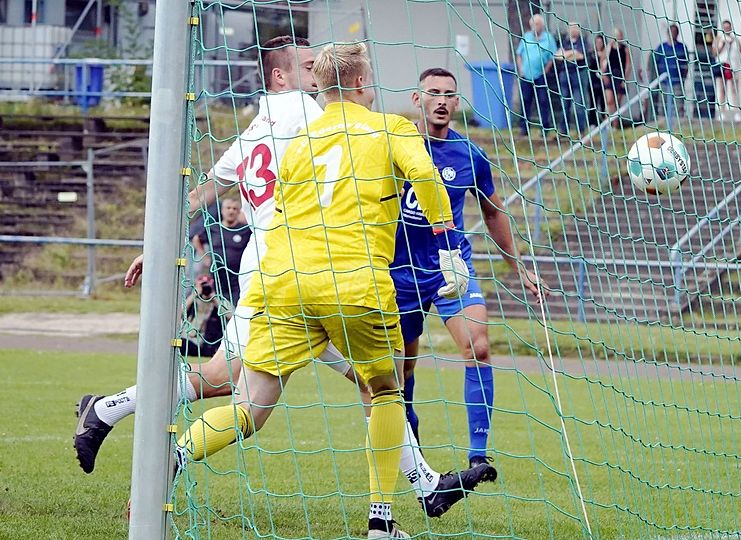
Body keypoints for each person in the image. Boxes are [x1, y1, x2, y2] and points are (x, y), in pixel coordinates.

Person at [74, 37, 489, 522]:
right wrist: (442, 242)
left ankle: (424, 484)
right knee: (347, 385)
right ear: (282, 76)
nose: (316, 76)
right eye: (308, 66)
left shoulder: (259, 128)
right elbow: (415, 168)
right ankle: (116, 414)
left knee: (267, 394)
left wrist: (158, 244)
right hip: (332, 275)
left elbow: (206, 190)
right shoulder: (315, 116)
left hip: (281, 276)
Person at [176, 42, 474, 539]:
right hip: (354, 283)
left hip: (287, 284)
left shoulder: (300, 141)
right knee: (385, 390)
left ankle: (174, 453)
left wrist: (266, 291)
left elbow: (280, 217)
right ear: (359, 83)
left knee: (250, 404)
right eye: (370, 80)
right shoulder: (391, 128)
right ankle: (381, 522)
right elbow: (423, 173)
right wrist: (446, 241)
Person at [400, 67, 546, 469]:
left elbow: (493, 212)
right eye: (433, 92)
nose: (441, 101)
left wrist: (519, 268)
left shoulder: (470, 154)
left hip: (451, 267)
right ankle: (411, 435)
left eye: (449, 94)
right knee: (402, 367)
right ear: (417, 99)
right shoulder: (396, 145)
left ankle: (478, 457)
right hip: (400, 271)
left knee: (479, 347)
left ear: (457, 102)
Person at [193, 197, 251, 306]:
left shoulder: (245, 230)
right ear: (222, 210)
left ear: (239, 212)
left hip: (237, 276)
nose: (231, 211)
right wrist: (205, 257)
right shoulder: (214, 228)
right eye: (228, 208)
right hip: (217, 275)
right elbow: (197, 239)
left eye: (234, 208)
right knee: (216, 304)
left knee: (235, 304)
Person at [515, 13, 557, 136]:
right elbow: (519, 54)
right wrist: (521, 69)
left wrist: (546, 69)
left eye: (537, 24)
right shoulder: (526, 37)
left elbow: (552, 56)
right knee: (525, 100)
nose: (535, 26)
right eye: (533, 24)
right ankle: (524, 128)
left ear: (542, 25)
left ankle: (545, 128)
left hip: (540, 75)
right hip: (526, 75)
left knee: (543, 101)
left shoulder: (548, 38)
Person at [555, 23, 592, 136]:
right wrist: (572, 53)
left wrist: (565, 54)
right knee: (564, 103)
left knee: (579, 103)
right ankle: (563, 131)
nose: (573, 30)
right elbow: (557, 56)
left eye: (576, 28)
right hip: (565, 74)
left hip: (579, 74)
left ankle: (581, 130)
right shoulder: (564, 42)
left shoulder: (583, 42)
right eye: (571, 27)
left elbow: (580, 56)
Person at [180, 275, 224, 358]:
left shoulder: (217, 301)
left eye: (207, 282)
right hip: (188, 339)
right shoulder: (191, 299)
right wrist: (194, 294)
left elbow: (230, 315)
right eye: (202, 282)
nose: (205, 285)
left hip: (207, 342)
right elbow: (180, 313)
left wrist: (214, 297)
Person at [713, 20, 741, 121]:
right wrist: (723, 45)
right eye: (725, 27)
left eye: (728, 27)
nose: (727, 29)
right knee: (722, 90)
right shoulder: (718, 39)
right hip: (721, 66)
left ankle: (736, 113)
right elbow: (714, 53)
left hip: (733, 67)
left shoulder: (736, 40)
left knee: (734, 90)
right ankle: (722, 113)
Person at [653, 24, 689, 123]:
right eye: (671, 31)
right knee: (662, 105)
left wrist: (683, 78)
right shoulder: (662, 47)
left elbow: (686, 64)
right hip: (664, 82)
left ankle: (679, 124)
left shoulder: (682, 47)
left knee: (679, 105)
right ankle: (661, 124)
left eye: (674, 32)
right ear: (667, 33)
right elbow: (654, 61)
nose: (673, 34)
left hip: (677, 81)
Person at [602, 28, 632, 127]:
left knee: (617, 102)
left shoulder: (625, 49)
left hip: (619, 76)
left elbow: (628, 65)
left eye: (619, 35)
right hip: (609, 75)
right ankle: (606, 123)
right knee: (609, 100)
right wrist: (604, 74)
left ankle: (615, 124)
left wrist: (625, 79)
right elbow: (603, 60)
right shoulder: (609, 47)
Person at [588, 34, 607, 125]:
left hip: (603, 82)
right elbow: (590, 66)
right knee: (593, 103)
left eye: (600, 42)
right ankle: (592, 123)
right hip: (593, 82)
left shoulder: (607, 54)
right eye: (597, 42)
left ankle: (604, 122)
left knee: (603, 103)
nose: (599, 44)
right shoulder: (592, 54)